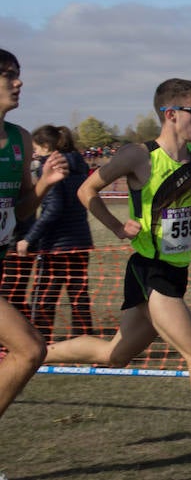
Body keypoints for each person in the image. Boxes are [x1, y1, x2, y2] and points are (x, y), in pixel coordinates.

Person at [43, 78, 191, 472]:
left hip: (176, 271)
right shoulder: (137, 156)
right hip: (149, 270)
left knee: (115, 354)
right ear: (171, 115)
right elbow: (87, 191)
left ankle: (35, 354)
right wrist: (118, 228)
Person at [0, 48, 70, 423]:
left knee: (29, 350)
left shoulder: (20, 140)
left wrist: (44, 184)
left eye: (18, 73)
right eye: (9, 74)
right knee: (28, 349)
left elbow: (21, 209)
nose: (19, 81)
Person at [20, 125, 94, 340]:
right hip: (80, 241)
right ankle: (84, 341)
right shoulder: (79, 166)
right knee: (78, 296)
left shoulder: (52, 169)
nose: (34, 153)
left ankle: (41, 341)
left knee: (44, 297)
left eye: (36, 148)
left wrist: (28, 239)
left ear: (46, 146)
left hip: (56, 246)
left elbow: (53, 209)